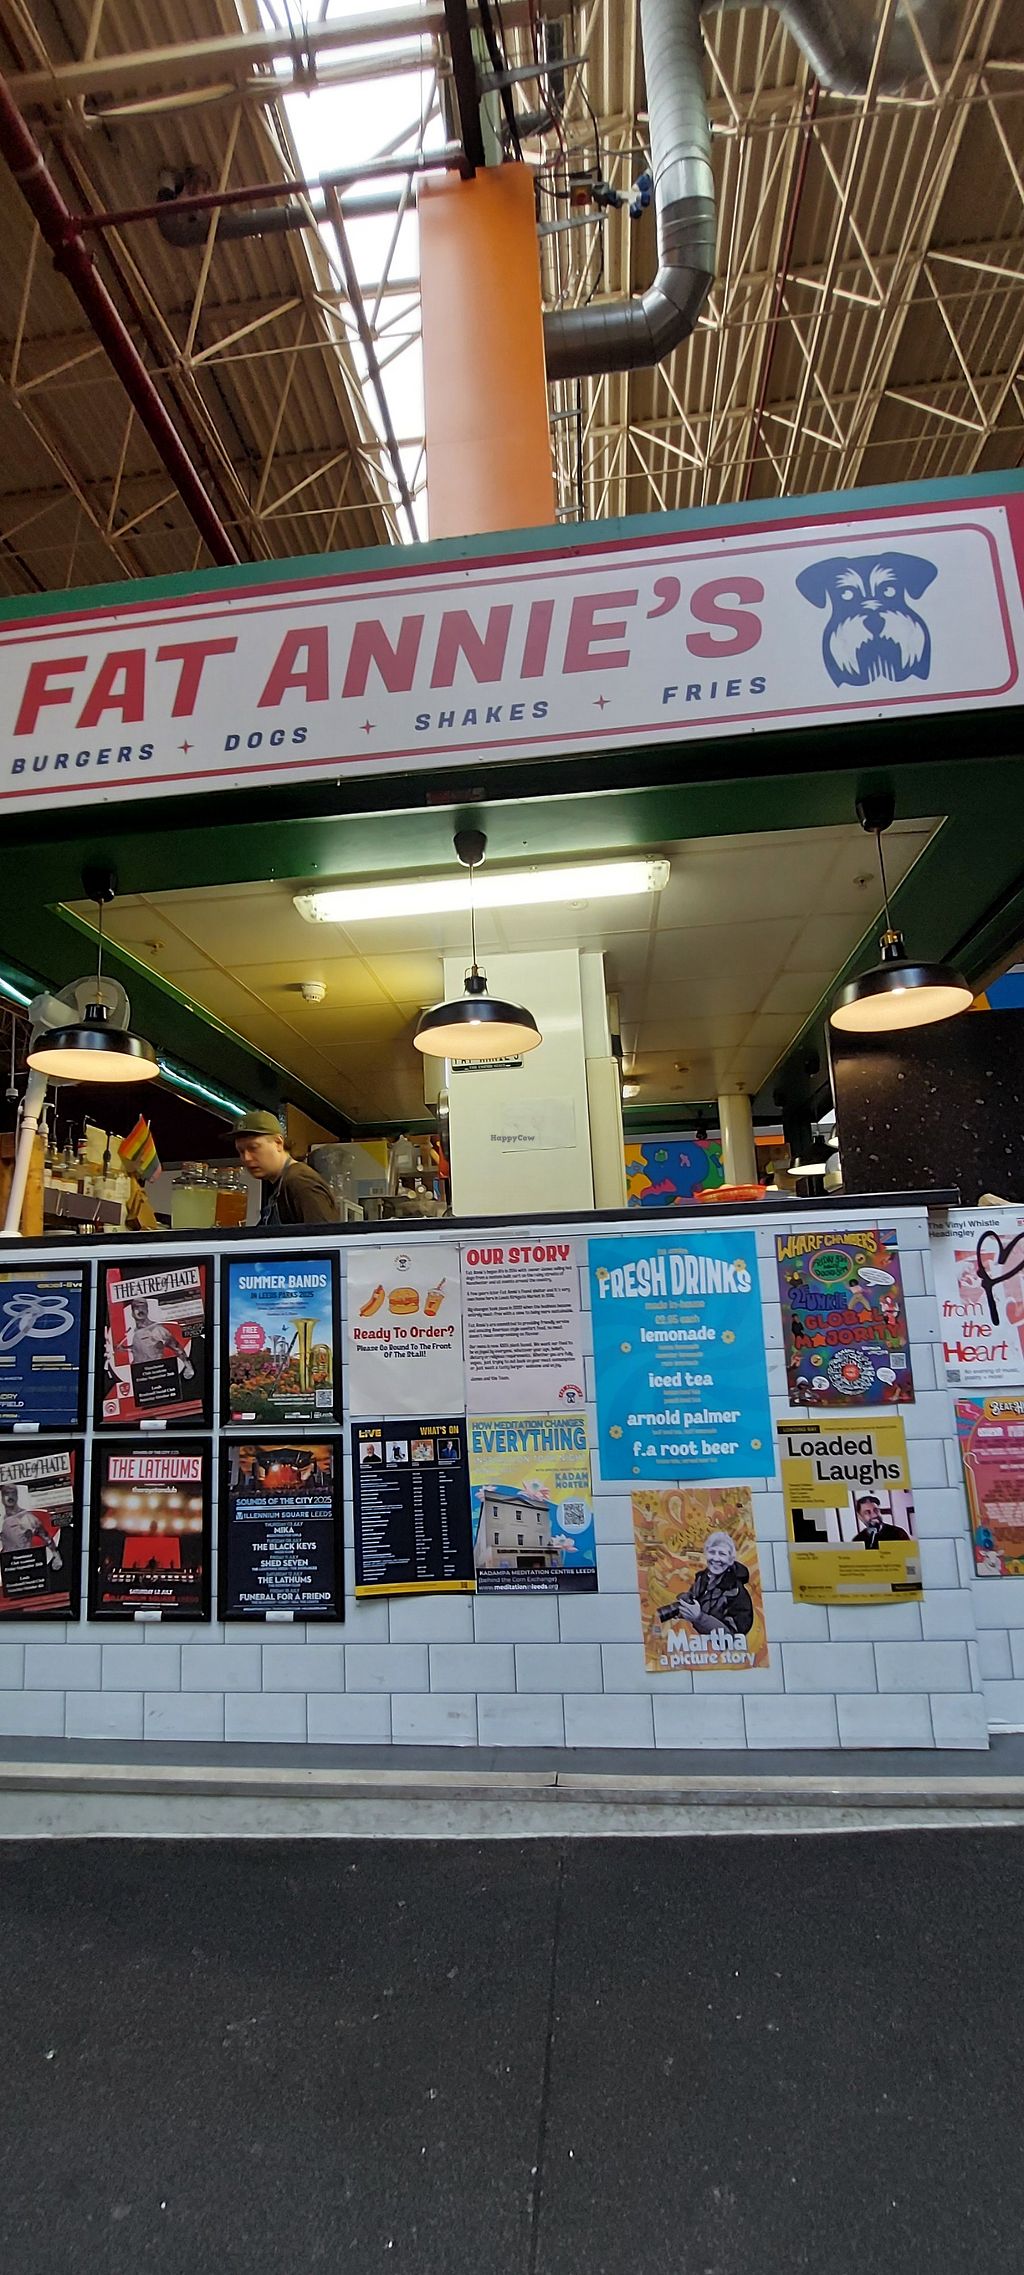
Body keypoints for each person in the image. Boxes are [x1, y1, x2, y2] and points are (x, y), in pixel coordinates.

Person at [232, 1111, 339, 1227]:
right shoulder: (281, 1184)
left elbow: (322, 1235)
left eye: (253, 1148)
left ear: (278, 1143)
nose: (246, 1158)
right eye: (241, 1151)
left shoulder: (299, 1181)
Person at [658, 1530, 755, 1638]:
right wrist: (682, 1608)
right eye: (712, 1552)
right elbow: (696, 1600)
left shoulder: (737, 1593)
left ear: (731, 1560)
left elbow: (731, 1636)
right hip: (697, 1642)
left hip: (717, 1648)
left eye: (722, 1554)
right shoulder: (702, 1579)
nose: (716, 1558)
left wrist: (699, 1617)